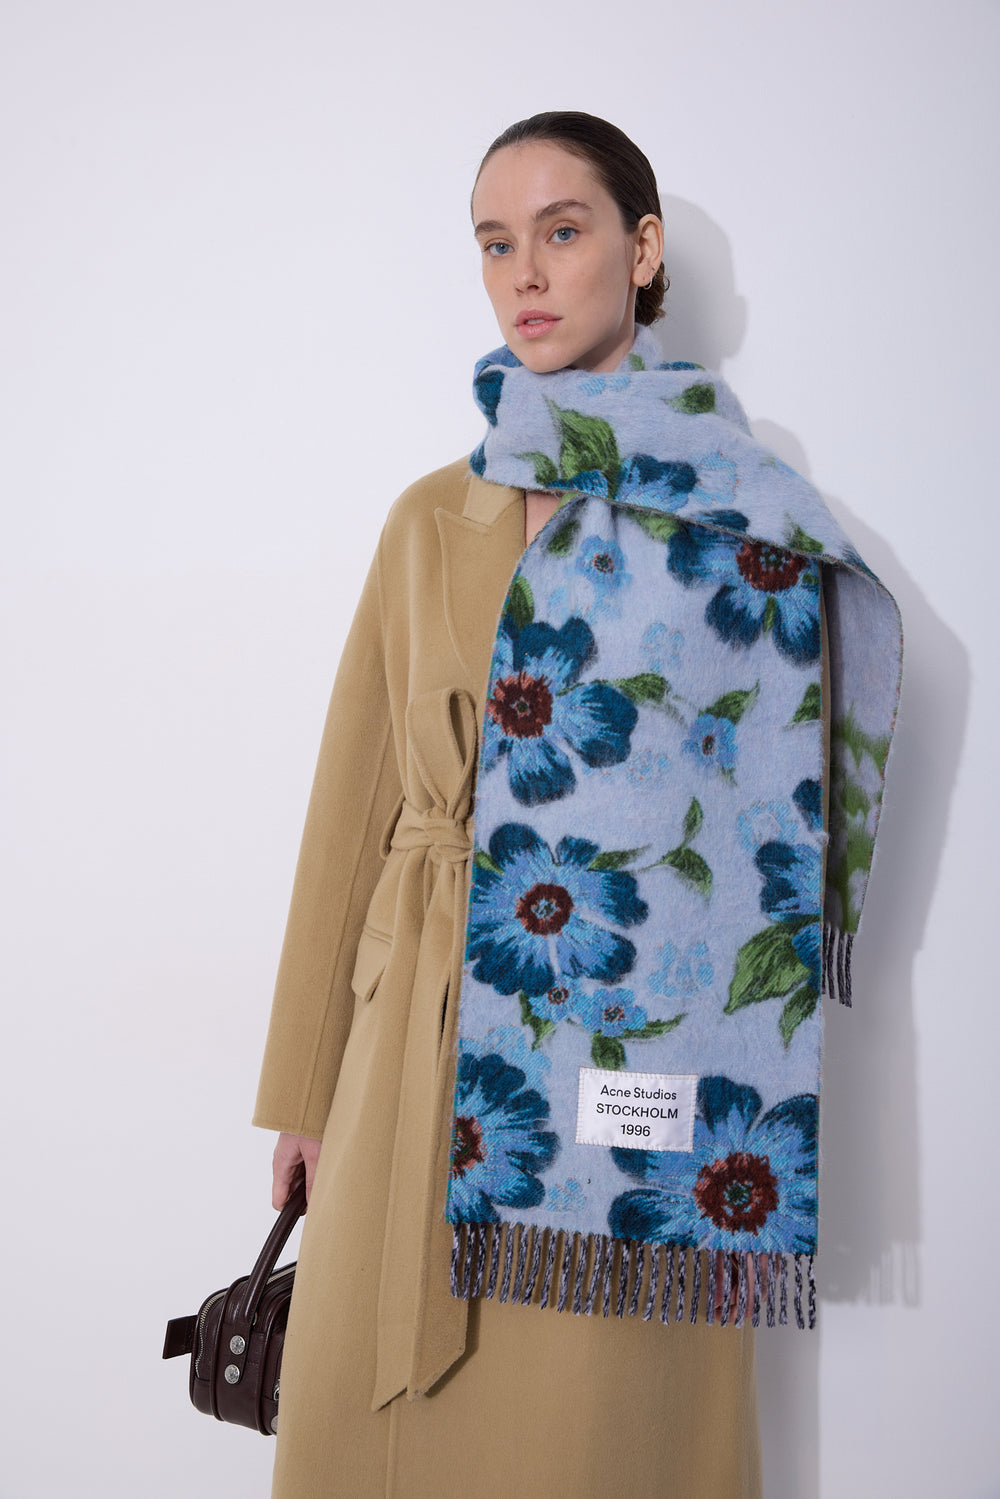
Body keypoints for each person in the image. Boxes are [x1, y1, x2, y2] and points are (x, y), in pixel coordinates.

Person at [254, 112, 772, 1498]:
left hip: (631, 1032)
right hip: (419, 1026)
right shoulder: (434, 513)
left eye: (563, 230)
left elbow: (762, 803)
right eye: (496, 243)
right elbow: (355, 798)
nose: (525, 274)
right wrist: (307, 1089)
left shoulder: (733, 513)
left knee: (591, 1427)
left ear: (642, 250)